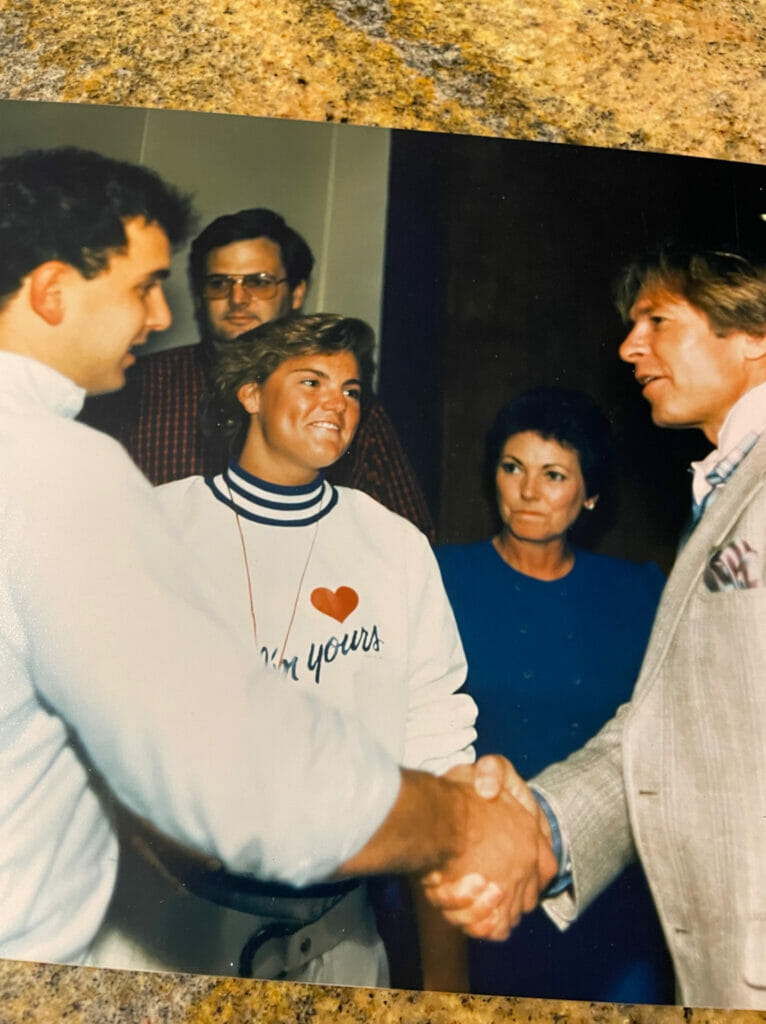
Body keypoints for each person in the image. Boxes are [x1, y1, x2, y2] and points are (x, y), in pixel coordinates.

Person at [0, 145, 556, 968]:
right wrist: (465, 823)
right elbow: (234, 772)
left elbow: (426, 713)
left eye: (351, 390)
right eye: (146, 287)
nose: (161, 319)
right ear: (51, 293)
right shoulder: (64, 470)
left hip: (337, 922)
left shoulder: (389, 540)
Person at [90, 312, 476, 985]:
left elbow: (438, 753)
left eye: (353, 391)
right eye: (312, 381)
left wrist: (449, 987)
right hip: (168, 933)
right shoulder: (157, 524)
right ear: (249, 393)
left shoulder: (395, 548)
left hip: (339, 939)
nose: (338, 404)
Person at [430, 247, 766, 1009]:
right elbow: (667, 729)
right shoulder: (724, 488)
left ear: (754, 335)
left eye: (657, 322)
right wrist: (543, 824)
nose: (628, 346)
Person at [436, 386, 673, 1002]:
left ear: (590, 493)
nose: (528, 491)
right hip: (479, 889)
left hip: (604, 896)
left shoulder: (641, 593)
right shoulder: (439, 577)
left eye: (554, 474)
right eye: (512, 467)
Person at [79, 207, 434, 537]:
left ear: (296, 293)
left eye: (259, 282)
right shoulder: (134, 385)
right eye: (219, 283)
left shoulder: (342, 406)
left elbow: (407, 542)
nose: (237, 299)